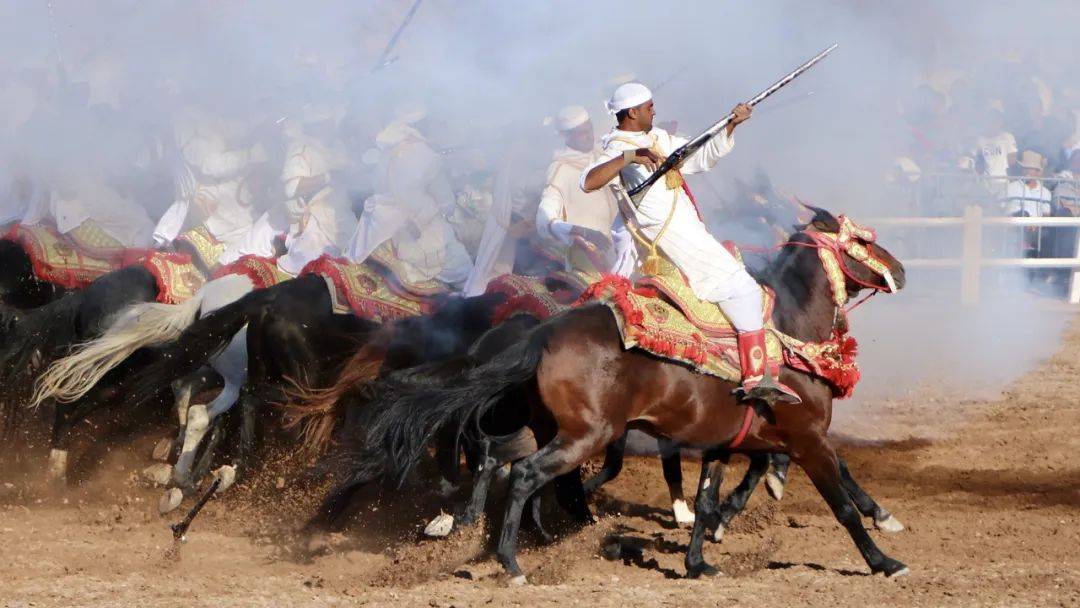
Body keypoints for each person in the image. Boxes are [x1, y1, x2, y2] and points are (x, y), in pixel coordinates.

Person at [581, 82, 799, 405]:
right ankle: (756, 377)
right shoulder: (616, 147)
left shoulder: (658, 139)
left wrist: (731, 125)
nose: (654, 110)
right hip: (671, 237)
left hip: (686, 229)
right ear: (632, 113)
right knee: (744, 288)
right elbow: (589, 182)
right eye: (649, 107)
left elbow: (698, 157)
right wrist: (630, 157)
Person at [344, 104, 472, 288]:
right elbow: (445, 202)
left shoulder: (387, 150)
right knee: (462, 269)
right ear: (423, 124)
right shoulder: (427, 155)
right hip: (412, 225)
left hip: (380, 222)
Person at [534, 105, 621, 275]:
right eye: (581, 133)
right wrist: (583, 232)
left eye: (589, 130)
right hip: (587, 261)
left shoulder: (601, 154)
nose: (589, 136)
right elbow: (544, 220)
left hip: (618, 251)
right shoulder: (561, 170)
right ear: (566, 136)